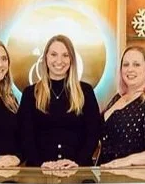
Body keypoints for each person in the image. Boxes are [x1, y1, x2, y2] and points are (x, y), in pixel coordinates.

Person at [18, 35, 101, 169]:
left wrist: (77, 163)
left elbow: (93, 134)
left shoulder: (85, 91)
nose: (59, 60)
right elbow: (25, 136)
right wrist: (41, 164)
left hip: (78, 171)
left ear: (71, 59)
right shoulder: (30, 93)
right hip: (40, 172)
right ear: (45, 58)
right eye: (54, 54)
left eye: (65, 55)